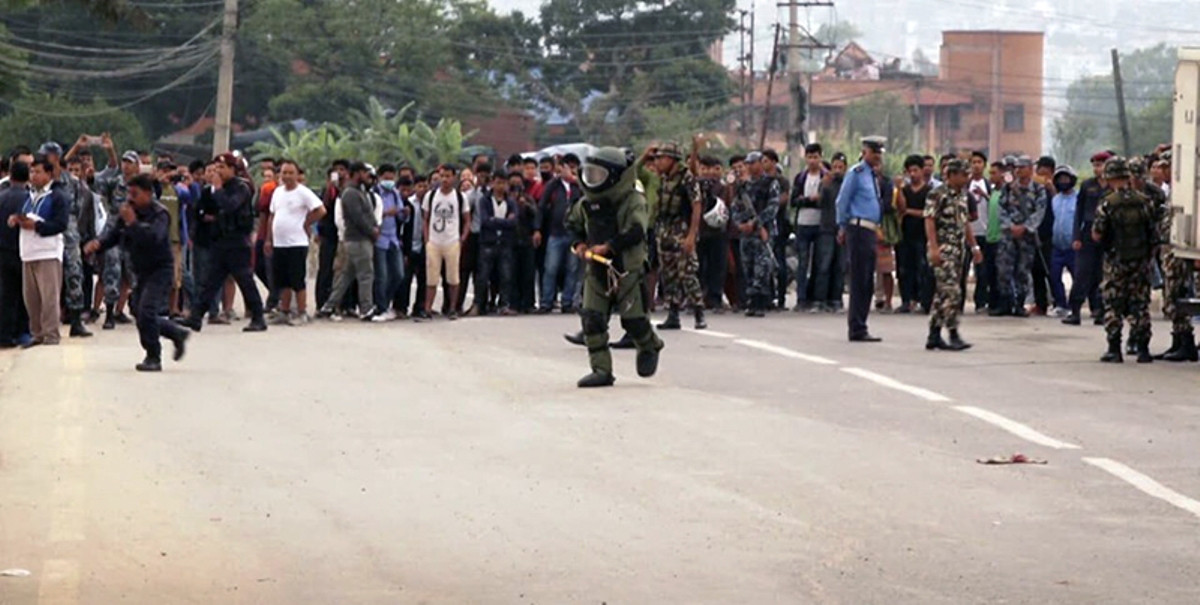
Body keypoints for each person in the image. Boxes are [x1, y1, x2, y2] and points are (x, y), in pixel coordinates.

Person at [567, 147, 664, 388]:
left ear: (616, 176)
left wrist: (609, 247)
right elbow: (572, 224)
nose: (593, 181)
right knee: (592, 319)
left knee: (633, 321)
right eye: (589, 174)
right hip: (597, 270)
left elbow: (636, 230)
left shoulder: (633, 199)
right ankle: (601, 370)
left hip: (626, 269)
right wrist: (579, 244)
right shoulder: (586, 203)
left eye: (599, 175)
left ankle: (650, 345)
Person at [84, 174, 188, 371]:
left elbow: (154, 238)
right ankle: (174, 333)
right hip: (141, 270)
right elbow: (114, 235)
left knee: (147, 311)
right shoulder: (128, 212)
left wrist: (133, 223)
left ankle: (153, 356)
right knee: (140, 313)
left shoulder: (160, 214)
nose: (130, 199)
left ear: (148, 194)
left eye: (135, 194)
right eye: (129, 194)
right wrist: (97, 244)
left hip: (160, 269)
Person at [179, 153, 268, 333]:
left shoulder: (241, 188)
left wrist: (218, 190)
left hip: (237, 242)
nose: (218, 172)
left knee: (245, 280)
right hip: (219, 241)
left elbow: (230, 206)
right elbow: (203, 209)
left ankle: (258, 317)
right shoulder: (214, 189)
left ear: (232, 169)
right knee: (210, 281)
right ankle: (196, 317)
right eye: (216, 168)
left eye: (222, 168)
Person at [1092, 157, 1157, 364]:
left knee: (1114, 304)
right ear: (1128, 176)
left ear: (1109, 177)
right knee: (1140, 304)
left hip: (1116, 261)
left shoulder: (1108, 203)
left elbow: (1097, 234)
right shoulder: (1145, 201)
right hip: (1140, 261)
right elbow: (1154, 235)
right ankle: (1143, 350)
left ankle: (1114, 349)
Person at [924, 159, 982, 351]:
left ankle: (934, 334)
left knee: (943, 293)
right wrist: (933, 248)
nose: (967, 178)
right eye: (964, 175)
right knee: (953, 292)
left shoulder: (962, 196)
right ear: (952, 175)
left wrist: (974, 247)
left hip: (958, 250)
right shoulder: (937, 194)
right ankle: (953, 333)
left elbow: (965, 223)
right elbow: (929, 220)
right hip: (943, 249)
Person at [12, 157, 68, 348]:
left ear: (49, 174)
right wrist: (17, 220)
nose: (33, 176)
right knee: (31, 297)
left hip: (47, 252)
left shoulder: (57, 195)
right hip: (28, 251)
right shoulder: (29, 195)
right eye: (32, 172)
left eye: (37, 172)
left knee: (49, 297)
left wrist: (37, 226)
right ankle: (36, 332)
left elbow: (61, 224)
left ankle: (51, 333)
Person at [39, 141, 93, 338]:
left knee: (74, 274)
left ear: (56, 157)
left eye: (47, 155)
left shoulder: (72, 182)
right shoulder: (39, 179)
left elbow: (78, 209)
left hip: (68, 233)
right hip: (45, 230)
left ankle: (76, 319)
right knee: (47, 278)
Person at [836, 137, 886, 342]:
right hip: (857, 229)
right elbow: (842, 201)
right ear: (865, 151)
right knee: (859, 279)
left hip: (870, 230)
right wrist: (841, 226)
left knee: (867, 280)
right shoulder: (855, 173)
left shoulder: (872, 175)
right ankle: (856, 327)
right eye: (874, 152)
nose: (877, 156)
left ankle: (861, 325)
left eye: (879, 152)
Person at [265, 160, 326, 325]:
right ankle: (284, 311)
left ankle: (302, 312)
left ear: (297, 175)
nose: (287, 176)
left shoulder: (303, 193)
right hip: (279, 243)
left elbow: (321, 210)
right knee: (282, 280)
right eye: (284, 173)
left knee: (297, 279)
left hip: (296, 242)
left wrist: (307, 222)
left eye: (291, 173)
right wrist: (269, 239)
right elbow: (272, 215)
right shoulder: (277, 192)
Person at [651, 142, 706, 330]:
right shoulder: (665, 178)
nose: (657, 162)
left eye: (661, 158)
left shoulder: (687, 178)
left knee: (687, 272)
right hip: (665, 230)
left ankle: (699, 312)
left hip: (681, 230)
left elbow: (697, 206)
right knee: (668, 275)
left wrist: (691, 236)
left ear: (672, 159)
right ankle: (673, 314)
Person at [319, 162, 379, 320]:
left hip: (357, 240)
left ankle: (329, 306)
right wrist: (372, 231)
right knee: (366, 274)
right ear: (357, 173)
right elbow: (358, 218)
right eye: (365, 173)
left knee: (346, 275)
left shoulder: (359, 191)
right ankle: (366, 308)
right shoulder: (351, 193)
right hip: (358, 239)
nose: (368, 177)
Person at [992, 155, 1047, 318]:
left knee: (1023, 271)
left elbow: (1040, 211)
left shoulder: (1038, 189)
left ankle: (1020, 304)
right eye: (1016, 168)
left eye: (1022, 167)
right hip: (1008, 235)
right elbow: (1001, 208)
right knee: (1003, 269)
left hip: (1027, 236)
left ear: (1030, 169)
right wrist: (1010, 226)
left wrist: (1026, 227)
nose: (1018, 171)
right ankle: (1005, 303)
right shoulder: (1008, 188)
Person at [1064, 151, 1112, 326]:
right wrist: (1076, 236)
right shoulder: (1087, 185)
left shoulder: (1114, 186)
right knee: (1082, 273)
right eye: (1095, 165)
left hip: (1107, 234)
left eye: (1100, 165)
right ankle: (1074, 310)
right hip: (1087, 234)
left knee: (1102, 274)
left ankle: (1100, 310)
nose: (1096, 168)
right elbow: (1079, 212)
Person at [418, 164, 470, 321]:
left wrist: (462, 238)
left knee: (453, 278)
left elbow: (467, 220)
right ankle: (427, 308)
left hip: (452, 241)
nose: (444, 179)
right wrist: (427, 239)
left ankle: (452, 308)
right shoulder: (431, 196)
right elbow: (425, 219)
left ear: (454, 178)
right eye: (442, 176)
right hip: (434, 242)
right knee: (431, 278)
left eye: (448, 176)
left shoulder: (460, 197)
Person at [732, 151, 779, 317]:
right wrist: (740, 224)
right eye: (748, 163)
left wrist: (756, 223)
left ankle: (760, 301)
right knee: (748, 266)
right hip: (747, 233)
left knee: (762, 267)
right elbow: (735, 207)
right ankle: (751, 301)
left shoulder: (770, 183)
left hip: (763, 231)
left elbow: (772, 207)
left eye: (753, 163)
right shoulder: (743, 186)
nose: (750, 166)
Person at [538, 154, 582, 313]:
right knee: (550, 268)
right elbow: (542, 206)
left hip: (574, 233)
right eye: (566, 166)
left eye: (573, 166)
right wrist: (537, 229)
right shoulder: (553, 185)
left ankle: (567, 302)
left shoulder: (579, 186)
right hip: (555, 232)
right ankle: (546, 302)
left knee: (572, 268)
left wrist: (574, 179)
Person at [895, 154, 934, 314]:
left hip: (922, 235)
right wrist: (898, 189)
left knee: (923, 269)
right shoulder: (904, 190)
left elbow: (928, 213)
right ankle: (906, 300)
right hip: (905, 235)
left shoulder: (930, 192)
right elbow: (901, 209)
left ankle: (923, 301)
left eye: (915, 170)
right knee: (904, 269)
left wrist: (910, 212)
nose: (913, 174)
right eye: (910, 171)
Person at [791, 143, 827, 312]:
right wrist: (810, 200)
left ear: (821, 157)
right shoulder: (800, 177)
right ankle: (801, 298)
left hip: (821, 225)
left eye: (816, 157)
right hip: (803, 224)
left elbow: (828, 200)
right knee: (802, 263)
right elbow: (794, 201)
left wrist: (816, 200)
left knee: (820, 263)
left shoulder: (826, 177)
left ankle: (818, 298)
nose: (812, 161)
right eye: (809, 157)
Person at [475, 171, 517, 315]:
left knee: (506, 276)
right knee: (483, 276)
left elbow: (514, 222)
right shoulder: (484, 200)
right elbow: (486, 221)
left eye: (504, 183)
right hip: (488, 242)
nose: (501, 186)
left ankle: (503, 304)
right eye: (498, 182)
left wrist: (496, 221)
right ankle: (479, 304)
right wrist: (505, 222)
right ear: (492, 183)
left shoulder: (510, 202)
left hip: (505, 243)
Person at [0, 160, 31, 347]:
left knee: (6, 295)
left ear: (10, 176)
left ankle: (4, 334)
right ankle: (22, 332)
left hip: (3, 252)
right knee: (24, 295)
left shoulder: (2, 197)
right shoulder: (29, 198)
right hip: (23, 251)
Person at [370, 164, 405, 322]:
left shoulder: (395, 194)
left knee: (398, 274)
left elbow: (400, 215)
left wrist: (403, 214)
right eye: (386, 178)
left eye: (392, 178)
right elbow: (370, 215)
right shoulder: (374, 193)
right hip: (379, 239)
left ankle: (386, 301)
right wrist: (385, 213)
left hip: (393, 239)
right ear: (379, 177)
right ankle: (381, 306)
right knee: (381, 275)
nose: (389, 181)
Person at [1048, 166, 1079, 316]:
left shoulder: (1079, 198)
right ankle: (1061, 304)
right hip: (1057, 246)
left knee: (1077, 277)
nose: (1063, 181)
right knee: (1054, 276)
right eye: (1060, 179)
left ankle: (1074, 306)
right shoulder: (1055, 199)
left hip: (1073, 246)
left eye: (1066, 178)